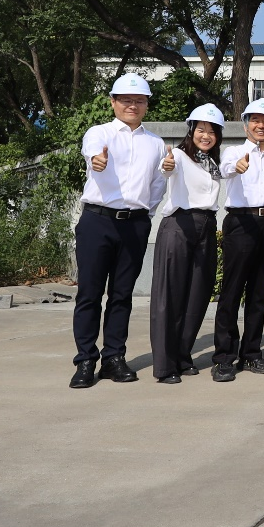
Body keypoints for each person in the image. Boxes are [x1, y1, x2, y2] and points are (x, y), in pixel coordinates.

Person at [70, 73, 167, 389]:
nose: (132, 105)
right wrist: (96, 161)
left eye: (139, 100)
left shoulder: (155, 143)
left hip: (135, 225)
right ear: (113, 102)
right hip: (98, 221)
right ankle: (85, 360)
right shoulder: (99, 133)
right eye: (126, 100)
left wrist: (145, 216)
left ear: (147, 104)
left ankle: (114, 358)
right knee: (89, 293)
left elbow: (157, 185)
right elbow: (92, 154)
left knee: (122, 295)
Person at [215, 98, 264, 381]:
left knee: (259, 294)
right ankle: (224, 358)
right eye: (256, 121)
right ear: (246, 125)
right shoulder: (233, 152)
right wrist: (237, 167)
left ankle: (251, 353)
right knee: (232, 291)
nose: (261, 126)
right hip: (240, 223)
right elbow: (224, 169)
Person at [150, 103, 225, 383]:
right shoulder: (179, 156)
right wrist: (166, 165)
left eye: (212, 131)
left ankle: (182, 355)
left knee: (198, 294)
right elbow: (167, 168)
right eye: (201, 130)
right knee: (169, 296)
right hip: (179, 226)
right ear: (191, 130)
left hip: (207, 225)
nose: (206, 136)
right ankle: (165, 366)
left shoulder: (212, 162)